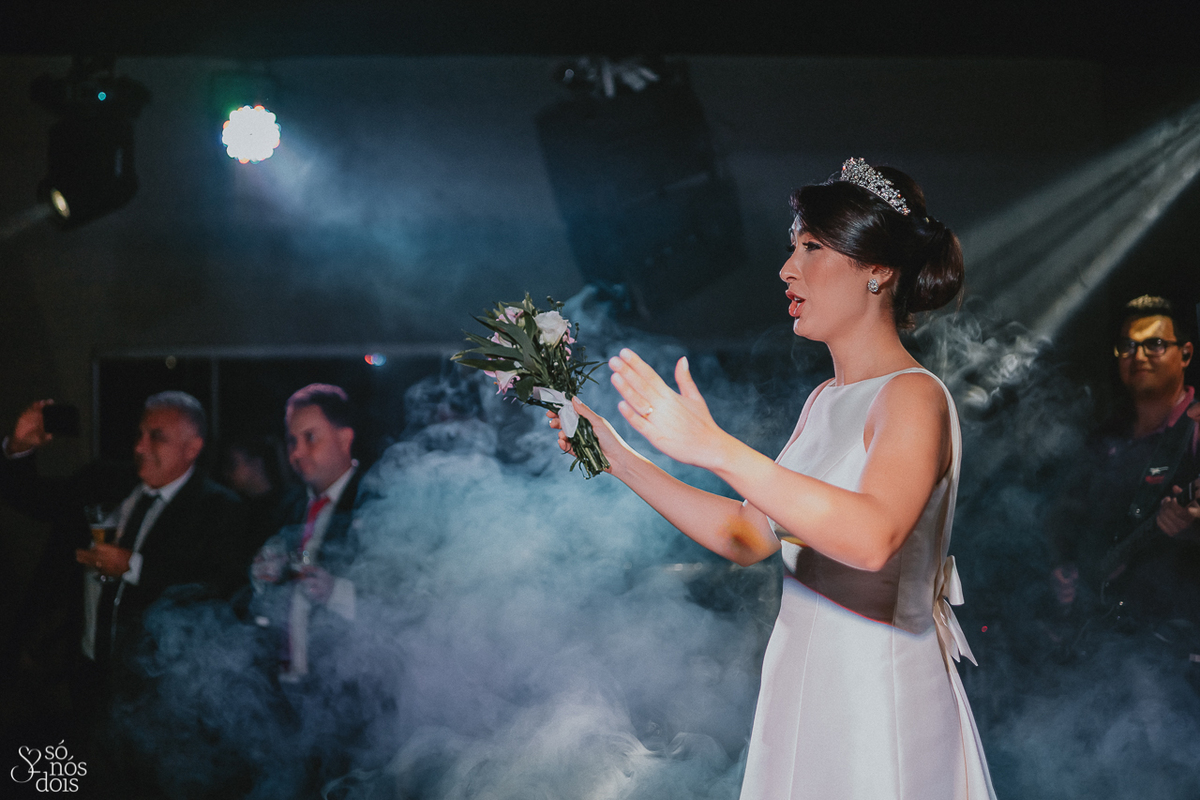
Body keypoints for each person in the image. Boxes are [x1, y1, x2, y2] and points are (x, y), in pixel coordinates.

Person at [551, 158, 995, 799]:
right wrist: (617, 456)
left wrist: (716, 447)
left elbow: (872, 538)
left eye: (811, 247)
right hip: (803, 693)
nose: (788, 269)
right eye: (793, 248)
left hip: (877, 705)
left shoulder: (913, 396)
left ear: (876, 269)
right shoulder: (822, 402)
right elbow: (746, 535)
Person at [1051, 295, 1200, 627]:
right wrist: (1062, 567)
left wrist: (1193, 528)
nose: (1139, 356)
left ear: (1186, 354)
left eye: (1155, 344)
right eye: (1128, 346)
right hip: (1099, 633)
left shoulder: (1195, 429)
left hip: (1171, 641)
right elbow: (1068, 515)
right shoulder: (1105, 434)